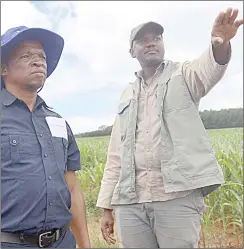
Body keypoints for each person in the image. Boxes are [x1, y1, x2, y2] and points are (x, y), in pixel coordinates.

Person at [96, 7, 243, 248]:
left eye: (156, 38)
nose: (151, 43)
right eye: (142, 40)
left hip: (176, 197)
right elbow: (116, 153)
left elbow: (208, 69)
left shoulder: (183, 75)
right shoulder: (127, 94)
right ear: (132, 51)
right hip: (130, 202)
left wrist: (220, 45)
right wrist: (106, 207)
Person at [1, 26, 91, 248]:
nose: (38, 61)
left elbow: (72, 188)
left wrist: (85, 244)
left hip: (62, 242)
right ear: (3, 68)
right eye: (26, 55)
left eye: (42, 56)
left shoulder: (58, 121)